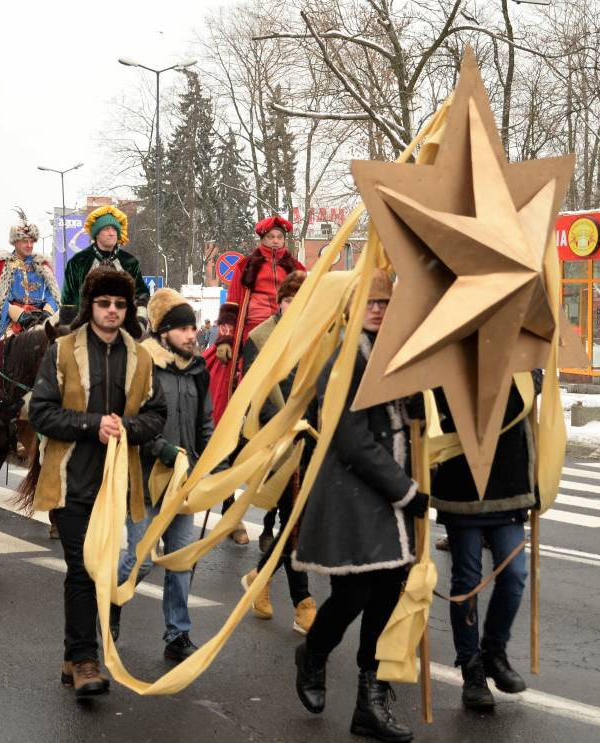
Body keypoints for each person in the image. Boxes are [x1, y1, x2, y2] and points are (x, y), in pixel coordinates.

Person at [291, 270, 424, 743]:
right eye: (370, 301)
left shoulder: (396, 355)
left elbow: (406, 421)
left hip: (389, 497)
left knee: (386, 595)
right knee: (353, 594)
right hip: (355, 494)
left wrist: (421, 404)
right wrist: (405, 490)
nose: (378, 309)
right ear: (352, 307)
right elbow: (353, 440)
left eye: (385, 302)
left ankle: (370, 702)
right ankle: (314, 653)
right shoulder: (345, 360)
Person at [28, 267, 166, 697]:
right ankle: (87, 661)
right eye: (104, 303)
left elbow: (156, 415)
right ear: (90, 306)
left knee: (100, 569)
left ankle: (72, 657)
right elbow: (41, 412)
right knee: (83, 568)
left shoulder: (141, 357)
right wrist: (93, 425)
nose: (112, 311)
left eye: (120, 305)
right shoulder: (62, 351)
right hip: (71, 479)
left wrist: (127, 427)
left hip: (120, 482)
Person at [110, 288, 211, 663]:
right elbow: (131, 420)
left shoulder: (197, 370)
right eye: (183, 329)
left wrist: (210, 462)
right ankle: (111, 603)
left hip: (183, 483)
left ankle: (177, 635)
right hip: (146, 480)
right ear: (164, 331)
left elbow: (205, 422)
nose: (191, 335)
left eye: (193, 328)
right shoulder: (142, 364)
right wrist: (159, 448)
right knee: (141, 559)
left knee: (181, 560)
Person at [432, 374, 538, 710]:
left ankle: (494, 651)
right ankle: (471, 668)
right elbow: (445, 403)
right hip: (462, 479)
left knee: (514, 574)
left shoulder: (518, 356)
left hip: (507, 479)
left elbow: (521, 404)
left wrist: (533, 375)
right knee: (467, 581)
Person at [207, 215, 306, 545]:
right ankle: (230, 509)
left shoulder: (296, 267)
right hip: (250, 344)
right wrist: (225, 338)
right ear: (263, 238)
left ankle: (282, 520)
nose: (276, 241)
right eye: (271, 237)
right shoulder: (247, 265)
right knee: (234, 422)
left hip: (287, 341)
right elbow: (232, 302)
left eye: (280, 237)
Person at [238, 270, 317, 634]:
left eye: (301, 300)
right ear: (279, 302)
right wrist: (285, 423)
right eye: (288, 300)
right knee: (294, 519)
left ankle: (260, 577)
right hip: (278, 440)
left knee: (299, 521)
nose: (294, 306)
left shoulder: (317, 335)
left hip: (313, 438)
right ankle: (303, 602)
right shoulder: (260, 337)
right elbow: (256, 391)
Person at [59, 205, 150, 325]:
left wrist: (140, 321)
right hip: (86, 327)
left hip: (124, 327)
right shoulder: (78, 262)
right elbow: (68, 300)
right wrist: (70, 330)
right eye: (106, 229)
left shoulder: (130, 262)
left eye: (114, 229)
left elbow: (141, 294)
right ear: (96, 233)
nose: (111, 233)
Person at [0, 209, 60, 339]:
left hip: (40, 318)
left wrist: (47, 312)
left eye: (32, 241)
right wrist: (20, 315)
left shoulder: (42, 264)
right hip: (11, 321)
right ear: (15, 242)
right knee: (5, 346)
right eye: (25, 241)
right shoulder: (1, 265)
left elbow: (53, 294)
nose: (29, 245)